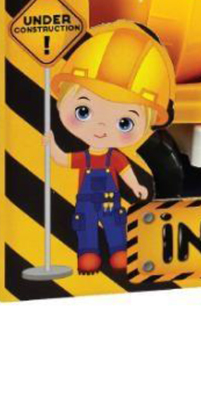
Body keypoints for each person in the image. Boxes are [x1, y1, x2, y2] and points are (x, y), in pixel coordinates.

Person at [47, 22, 175, 274]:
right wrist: (51, 146)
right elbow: (62, 160)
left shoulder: (115, 158)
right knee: (86, 227)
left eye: (124, 123)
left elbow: (126, 171)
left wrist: (136, 187)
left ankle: (119, 251)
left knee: (115, 225)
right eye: (84, 111)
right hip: (86, 203)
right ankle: (88, 254)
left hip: (109, 202)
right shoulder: (84, 157)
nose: (101, 127)